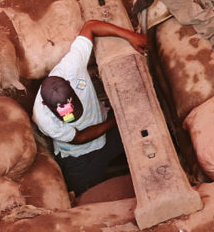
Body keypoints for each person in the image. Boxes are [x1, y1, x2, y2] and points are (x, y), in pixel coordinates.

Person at [32, 20, 148, 195]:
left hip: (106, 127)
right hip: (80, 155)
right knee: (85, 193)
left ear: (69, 83)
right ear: (45, 105)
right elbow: (80, 137)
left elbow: (90, 27)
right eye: (66, 114)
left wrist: (131, 36)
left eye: (74, 106)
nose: (71, 112)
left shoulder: (72, 67)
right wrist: (117, 120)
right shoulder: (43, 119)